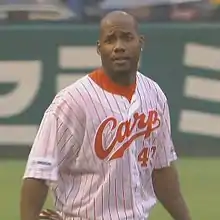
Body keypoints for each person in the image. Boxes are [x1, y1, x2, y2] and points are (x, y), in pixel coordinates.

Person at [20, 10, 191, 220]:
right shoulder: (72, 102)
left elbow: (161, 169)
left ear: (141, 42)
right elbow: (38, 173)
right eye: (110, 40)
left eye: (127, 38)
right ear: (99, 49)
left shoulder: (153, 95)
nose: (119, 46)